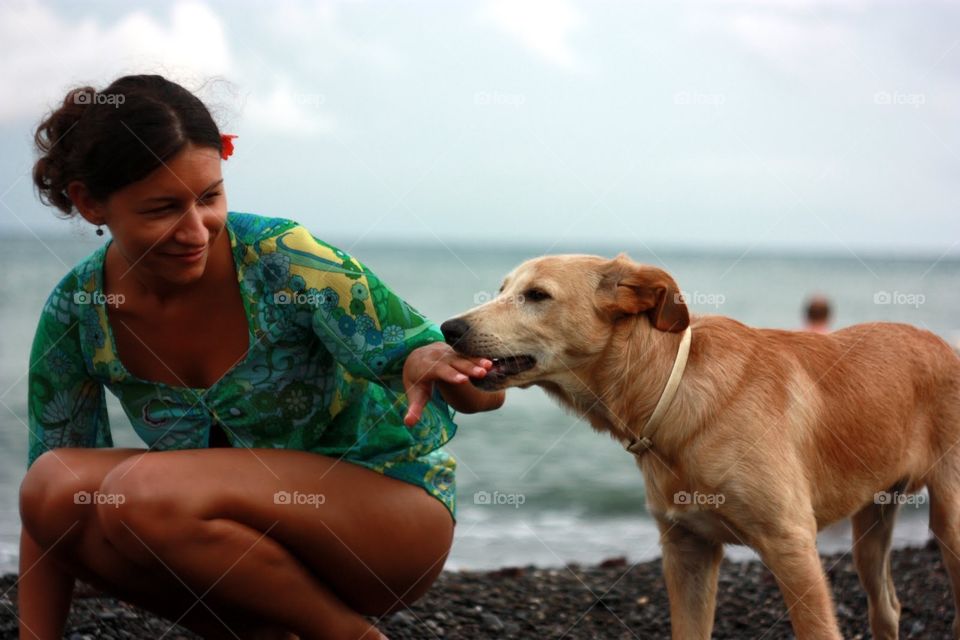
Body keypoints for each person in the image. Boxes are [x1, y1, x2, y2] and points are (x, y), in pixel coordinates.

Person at [20, 74, 504, 640]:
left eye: (209, 197)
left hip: (383, 520)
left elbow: (480, 395)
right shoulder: (81, 308)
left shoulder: (281, 258)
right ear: (89, 201)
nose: (195, 230)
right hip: (229, 547)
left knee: (142, 493)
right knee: (53, 484)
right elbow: (45, 517)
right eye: (162, 209)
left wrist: (437, 363)